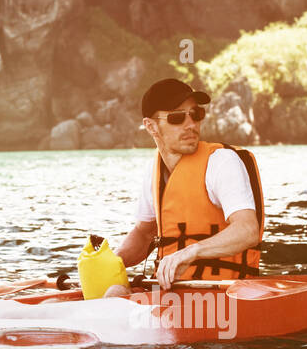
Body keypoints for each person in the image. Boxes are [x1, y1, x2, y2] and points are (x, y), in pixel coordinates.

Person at [113, 78, 266, 288]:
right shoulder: (153, 171)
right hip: (173, 293)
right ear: (151, 126)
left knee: (115, 295)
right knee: (114, 290)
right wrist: (112, 263)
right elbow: (145, 232)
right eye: (177, 117)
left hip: (224, 295)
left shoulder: (221, 162)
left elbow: (247, 229)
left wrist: (192, 251)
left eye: (196, 114)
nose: (191, 125)